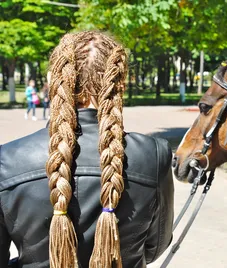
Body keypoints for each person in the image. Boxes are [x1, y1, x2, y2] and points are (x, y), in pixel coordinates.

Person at [0, 31, 174, 268]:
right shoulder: (155, 154)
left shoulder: (6, 159)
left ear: (53, 79)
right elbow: (155, 247)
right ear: (119, 83)